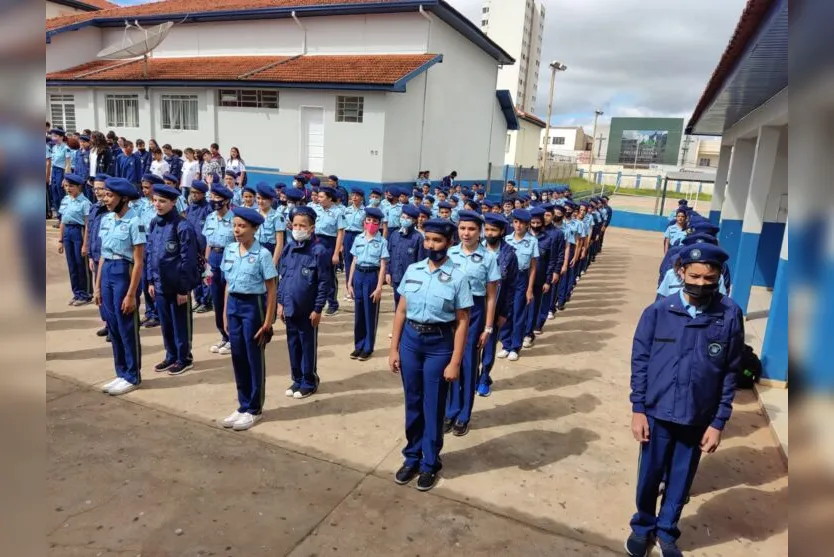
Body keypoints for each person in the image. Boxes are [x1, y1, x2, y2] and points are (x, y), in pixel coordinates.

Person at [626, 243, 743, 557]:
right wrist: (638, 409)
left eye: (709, 278)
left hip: (696, 416)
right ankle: (642, 527)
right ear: (680, 272)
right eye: (695, 276)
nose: (701, 283)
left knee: (680, 479)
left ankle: (667, 532)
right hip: (657, 412)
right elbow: (640, 362)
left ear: (719, 276)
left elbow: (730, 372)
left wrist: (718, 422)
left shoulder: (729, 314)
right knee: (649, 477)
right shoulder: (659, 312)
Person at [388, 218, 472, 491]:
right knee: (412, 402)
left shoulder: (459, 277)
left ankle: (430, 462)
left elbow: (462, 321)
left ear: (449, 243)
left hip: (439, 344)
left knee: (433, 406)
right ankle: (411, 457)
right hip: (412, 342)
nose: (431, 245)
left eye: (437, 241)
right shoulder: (414, 270)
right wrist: (394, 348)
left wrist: (455, 361)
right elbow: (401, 311)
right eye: (428, 240)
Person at [444, 210, 499, 436]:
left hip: (474, 312)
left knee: (467, 364)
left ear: (481, 232)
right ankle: (450, 409)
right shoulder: (450, 253)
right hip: (450, 312)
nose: (466, 233)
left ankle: (464, 414)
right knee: (449, 361)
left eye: (471, 229)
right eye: (462, 228)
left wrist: (487, 327)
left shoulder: (488, 258)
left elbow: (491, 296)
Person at [94, 178, 146, 396]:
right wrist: (97, 286)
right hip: (107, 272)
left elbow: (139, 261)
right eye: (105, 195)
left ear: (123, 198)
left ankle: (133, 375)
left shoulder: (135, 222)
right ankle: (121, 372)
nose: (106, 199)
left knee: (126, 325)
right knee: (113, 325)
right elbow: (103, 256)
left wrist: (131, 294)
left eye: (110, 196)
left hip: (124, 271)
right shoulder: (106, 219)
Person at [145, 184, 200, 376]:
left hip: (177, 286)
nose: (158, 205)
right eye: (155, 200)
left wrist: (184, 289)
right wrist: (151, 280)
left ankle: (184, 358)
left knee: (180, 323)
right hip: (160, 284)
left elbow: (188, 260)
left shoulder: (182, 226)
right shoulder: (154, 223)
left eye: (162, 201)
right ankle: (171, 355)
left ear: (173, 202)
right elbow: (151, 252)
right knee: (166, 323)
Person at [277, 206, 331, 399]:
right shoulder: (289, 248)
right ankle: (297, 378)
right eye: (295, 225)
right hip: (290, 307)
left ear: (312, 228)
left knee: (307, 344)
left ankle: (309, 380)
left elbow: (324, 282)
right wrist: (280, 303)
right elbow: (283, 277)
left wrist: (318, 309)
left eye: (303, 225)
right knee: (293, 344)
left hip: (308, 310)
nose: (298, 228)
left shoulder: (319, 251)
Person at [478, 214, 516, 396]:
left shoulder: (509, 254)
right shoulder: (477, 250)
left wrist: (504, 313)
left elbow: (511, 287)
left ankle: (484, 377)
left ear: (501, 231)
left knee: (489, 345)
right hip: (474, 306)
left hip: (495, 308)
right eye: (487, 229)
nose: (489, 233)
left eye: (493, 230)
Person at [347, 207, 388, 361]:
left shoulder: (382, 241)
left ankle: (368, 347)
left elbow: (383, 266)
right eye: (369, 220)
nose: (371, 224)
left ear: (379, 224)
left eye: (375, 222)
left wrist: (379, 288)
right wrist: (349, 283)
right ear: (364, 222)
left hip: (372, 276)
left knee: (370, 312)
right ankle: (358, 346)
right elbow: (353, 261)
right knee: (359, 313)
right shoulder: (358, 238)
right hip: (358, 275)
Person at [497, 209, 538, 361]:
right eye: (516, 222)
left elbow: (533, 267)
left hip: (521, 278)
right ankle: (506, 344)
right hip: (506, 278)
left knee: (518, 313)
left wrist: (530, 289)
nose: (518, 225)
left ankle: (515, 346)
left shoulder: (532, 241)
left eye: (522, 223)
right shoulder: (506, 239)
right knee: (505, 311)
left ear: (527, 225)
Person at [202, 185, 237, 355]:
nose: (214, 201)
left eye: (218, 198)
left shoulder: (235, 220)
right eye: (213, 197)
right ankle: (223, 335)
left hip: (230, 259)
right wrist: (206, 266)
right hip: (214, 259)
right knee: (217, 300)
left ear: (227, 201)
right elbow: (208, 243)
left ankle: (232, 338)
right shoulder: (210, 218)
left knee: (230, 301)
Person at [83, 174, 112, 338]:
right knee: (99, 292)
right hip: (95, 255)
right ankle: (107, 323)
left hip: (108, 256)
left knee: (109, 294)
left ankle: (114, 327)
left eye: (101, 188)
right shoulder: (94, 208)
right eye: (95, 189)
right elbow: (90, 229)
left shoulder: (112, 209)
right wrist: (88, 252)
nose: (98, 192)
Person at [57, 174, 93, 305]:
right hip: (68, 232)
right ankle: (76, 292)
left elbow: (88, 224)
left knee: (81, 264)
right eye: (66, 186)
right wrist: (60, 240)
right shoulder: (65, 200)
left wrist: (85, 244)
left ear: (79, 187)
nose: (68, 189)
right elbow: (62, 221)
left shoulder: (85, 203)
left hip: (79, 231)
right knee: (72, 265)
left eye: (71, 186)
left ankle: (86, 293)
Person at [386, 204, 425, 312]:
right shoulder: (394, 235)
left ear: (414, 221)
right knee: (397, 303)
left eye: (408, 218)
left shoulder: (418, 237)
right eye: (403, 217)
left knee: (409, 306)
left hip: (410, 279)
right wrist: (388, 272)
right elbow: (389, 254)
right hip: (397, 276)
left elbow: (421, 260)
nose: (404, 220)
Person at [313, 187, 345, 315]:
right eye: (318, 196)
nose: (318, 199)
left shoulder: (338, 212)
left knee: (329, 275)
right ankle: (317, 301)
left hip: (329, 243)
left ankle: (332, 303)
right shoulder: (316, 210)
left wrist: (336, 252)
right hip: (315, 241)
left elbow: (340, 233)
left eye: (321, 197)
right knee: (315, 273)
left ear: (330, 198)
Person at [525, 207, 554, 341]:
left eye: (538, 223)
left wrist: (548, 281)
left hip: (539, 278)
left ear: (542, 223)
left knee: (534, 307)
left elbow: (551, 261)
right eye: (533, 223)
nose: (535, 226)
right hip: (523, 278)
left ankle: (528, 333)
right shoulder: (523, 237)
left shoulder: (548, 239)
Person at [185, 180, 213, 313]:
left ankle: (207, 301)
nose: (194, 195)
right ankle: (198, 299)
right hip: (191, 247)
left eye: (197, 193)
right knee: (194, 274)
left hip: (203, 248)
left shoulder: (207, 209)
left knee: (204, 275)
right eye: (192, 192)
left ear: (203, 194)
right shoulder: (190, 207)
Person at [342, 188, 366, 299]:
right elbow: (342, 227)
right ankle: (349, 288)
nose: (354, 197)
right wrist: (341, 243)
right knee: (348, 262)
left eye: (357, 195)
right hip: (348, 236)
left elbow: (365, 227)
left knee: (357, 262)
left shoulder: (365, 211)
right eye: (353, 195)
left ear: (361, 198)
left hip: (359, 236)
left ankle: (357, 288)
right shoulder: (346, 210)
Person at [254, 183, 285, 264]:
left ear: (271, 201)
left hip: (269, 250)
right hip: (254, 249)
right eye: (258, 198)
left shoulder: (277, 216)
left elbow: (279, 243)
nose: (260, 201)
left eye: (263, 199)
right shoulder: (254, 214)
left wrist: (273, 262)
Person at [47, 128, 72, 223]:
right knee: (55, 195)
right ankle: (59, 216)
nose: (53, 138)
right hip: (54, 172)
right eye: (53, 136)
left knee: (61, 195)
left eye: (56, 136)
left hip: (61, 172)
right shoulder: (53, 148)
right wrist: (50, 177)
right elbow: (52, 163)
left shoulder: (66, 148)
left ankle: (64, 217)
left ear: (61, 137)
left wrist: (66, 178)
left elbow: (68, 164)